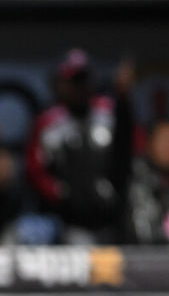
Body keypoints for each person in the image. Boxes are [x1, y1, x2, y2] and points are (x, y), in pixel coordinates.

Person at [25, 49, 133, 243]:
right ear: (60, 83)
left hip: (115, 216)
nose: (78, 87)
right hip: (72, 221)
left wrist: (123, 100)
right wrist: (60, 193)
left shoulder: (108, 110)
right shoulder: (49, 122)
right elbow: (35, 169)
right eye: (73, 81)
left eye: (82, 79)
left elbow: (128, 150)